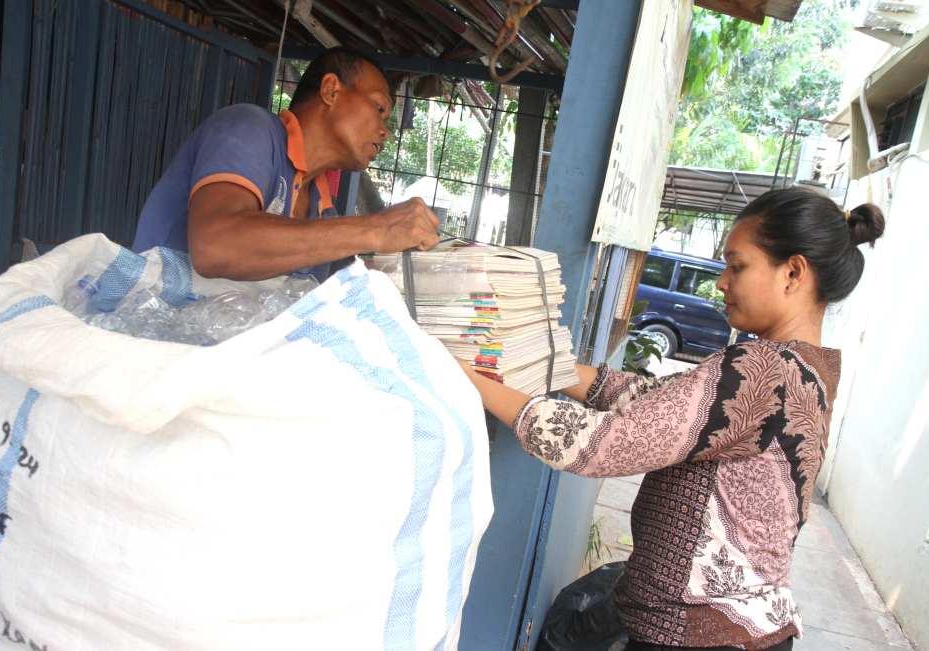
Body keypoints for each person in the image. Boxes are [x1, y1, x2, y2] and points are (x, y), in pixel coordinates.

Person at [457, 187, 886, 651]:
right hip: (747, 627)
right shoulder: (809, 369)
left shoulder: (762, 368)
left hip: (700, 634)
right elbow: (658, 400)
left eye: (736, 266)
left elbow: (597, 443)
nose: (721, 282)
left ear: (793, 272)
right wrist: (543, 362)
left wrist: (461, 373)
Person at [131, 47, 440, 282]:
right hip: (145, 336)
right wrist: (376, 229)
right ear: (331, 90)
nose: (385, 129)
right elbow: (214, 245)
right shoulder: (250, 129)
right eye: (379, 108)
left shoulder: (323, 209)